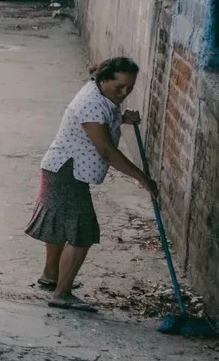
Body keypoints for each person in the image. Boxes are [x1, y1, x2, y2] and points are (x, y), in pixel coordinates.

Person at [25, 57, 157, 312]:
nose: (124, 92)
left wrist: (122, 119)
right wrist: (142, 177)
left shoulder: (99, 93)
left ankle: (51, 277)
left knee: (61, 225)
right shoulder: (91, 104)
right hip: (67, 172)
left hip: (61, 167)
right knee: (82, 232)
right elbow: (106, 150)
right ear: (103, 80)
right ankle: (61, 294)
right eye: (119, 87)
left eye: (130, 87)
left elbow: (102, 122)